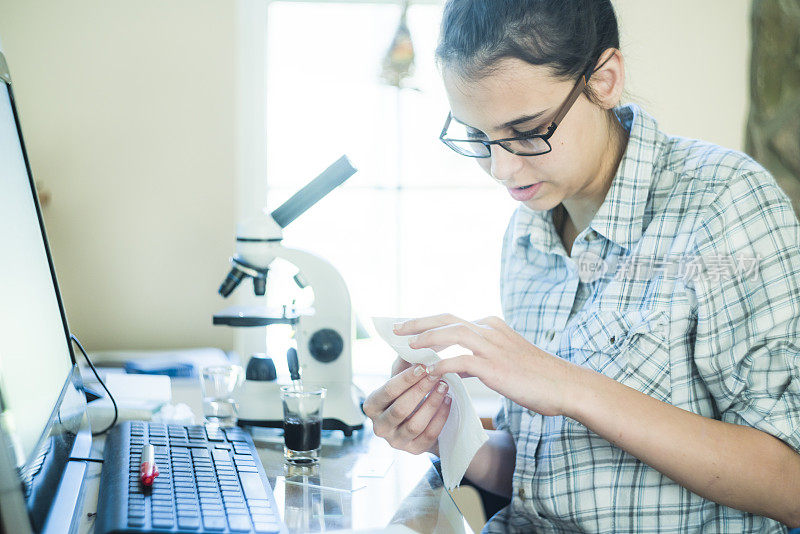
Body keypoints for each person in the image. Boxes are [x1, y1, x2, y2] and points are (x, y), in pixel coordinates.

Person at [361, 1, 800, 532]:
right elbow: (541, 483)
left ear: (605, 81)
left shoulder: (724, 203)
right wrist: (446, 435)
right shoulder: (527, 230)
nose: (501, 169)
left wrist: (567, 384)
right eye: (477, 138)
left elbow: (789, 484)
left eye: (528, 130)